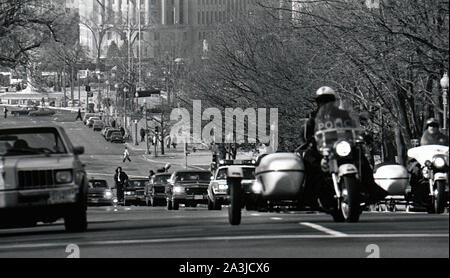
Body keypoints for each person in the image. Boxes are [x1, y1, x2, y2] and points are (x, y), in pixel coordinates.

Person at [301, 86, 387, 209]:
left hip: (342, 146)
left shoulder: (343, 114)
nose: (325, 103)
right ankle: (309, 197)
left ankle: (372, 190)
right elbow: (306, 133)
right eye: (322, 100)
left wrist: (363, 134)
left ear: (333, 100)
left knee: (361, 159)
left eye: (328, 99)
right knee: (309, 160)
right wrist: (309, 140)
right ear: (318, 102)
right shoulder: (312, 117)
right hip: (322, 148)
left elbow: (354, 126)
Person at [408, 118, 449, 204]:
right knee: (416, 169)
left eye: (435, 126)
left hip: (439, 161)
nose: (433, 127)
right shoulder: (422, 139)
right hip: (426, 161)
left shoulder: (444, 138)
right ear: (427, 127)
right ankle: (416, 191)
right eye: (431, 125)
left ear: (438, 127)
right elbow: (417, 150)